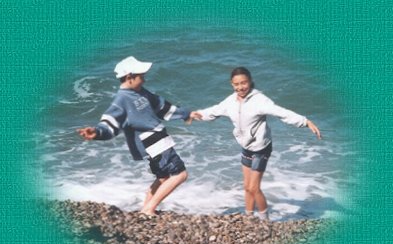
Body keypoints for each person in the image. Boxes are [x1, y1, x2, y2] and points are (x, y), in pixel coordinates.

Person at [191, 67, 321, 220]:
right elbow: (214, 111)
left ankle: (265, 220)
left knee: (254, 188)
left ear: (250, 81)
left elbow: (282, 112)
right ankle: (249, 217)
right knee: (247, 187)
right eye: (236, 84)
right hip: (246, 147)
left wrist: (305, 122)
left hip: (261, 148)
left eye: (244, 83)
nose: (240, 87)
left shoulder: (260, 100)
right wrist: (196, 114)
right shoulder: (231, 101)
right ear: (232, 84)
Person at [78, 56, 201, 216]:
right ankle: (149, 209)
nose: (143, 79)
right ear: (129, 77)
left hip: (158, 141)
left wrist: (186, 114)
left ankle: (145, 209)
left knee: (163, 177)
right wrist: (97, 132)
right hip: (154, 143)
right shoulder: (121, 100)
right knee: (180, 174)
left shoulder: (141, 93)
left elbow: (162, 107)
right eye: (140, 76)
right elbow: (110, 122)